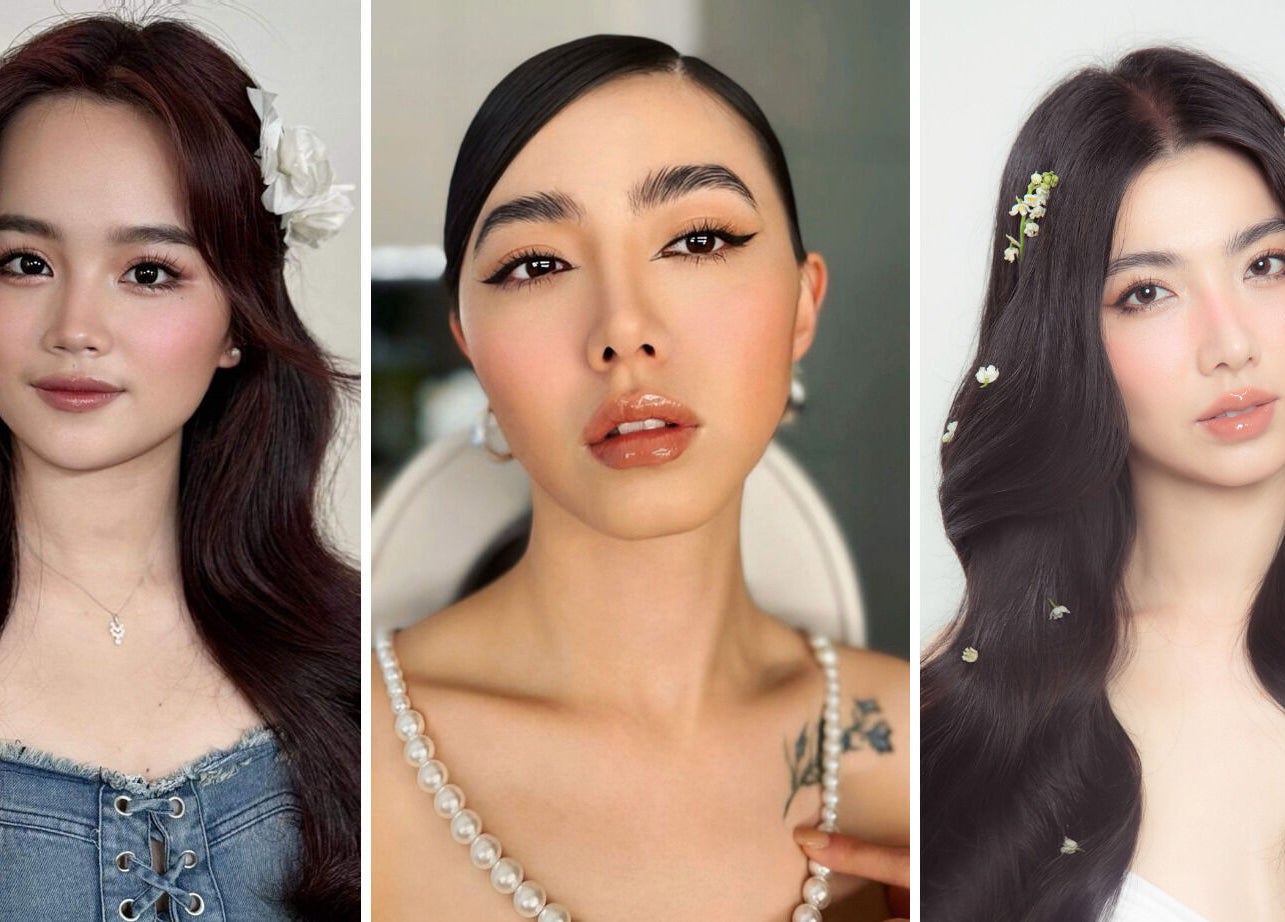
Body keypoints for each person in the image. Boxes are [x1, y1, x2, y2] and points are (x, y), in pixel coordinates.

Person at [372, 34, 910, 922]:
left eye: (698, 240)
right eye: (535, 265)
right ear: (469, 344)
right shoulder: (351, 759)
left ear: (804, 302)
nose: (623, 329)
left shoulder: (932, 754)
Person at [0, 15, 359, 921]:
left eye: (149, 272)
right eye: (24, 262)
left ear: (239, 321)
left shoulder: (359, 657)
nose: (75, 327)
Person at [922, 46, 1285, 922]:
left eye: (1266, 265)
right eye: (1147, 292)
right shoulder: (974, 707)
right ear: (1066, 341)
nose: (1228, 341)